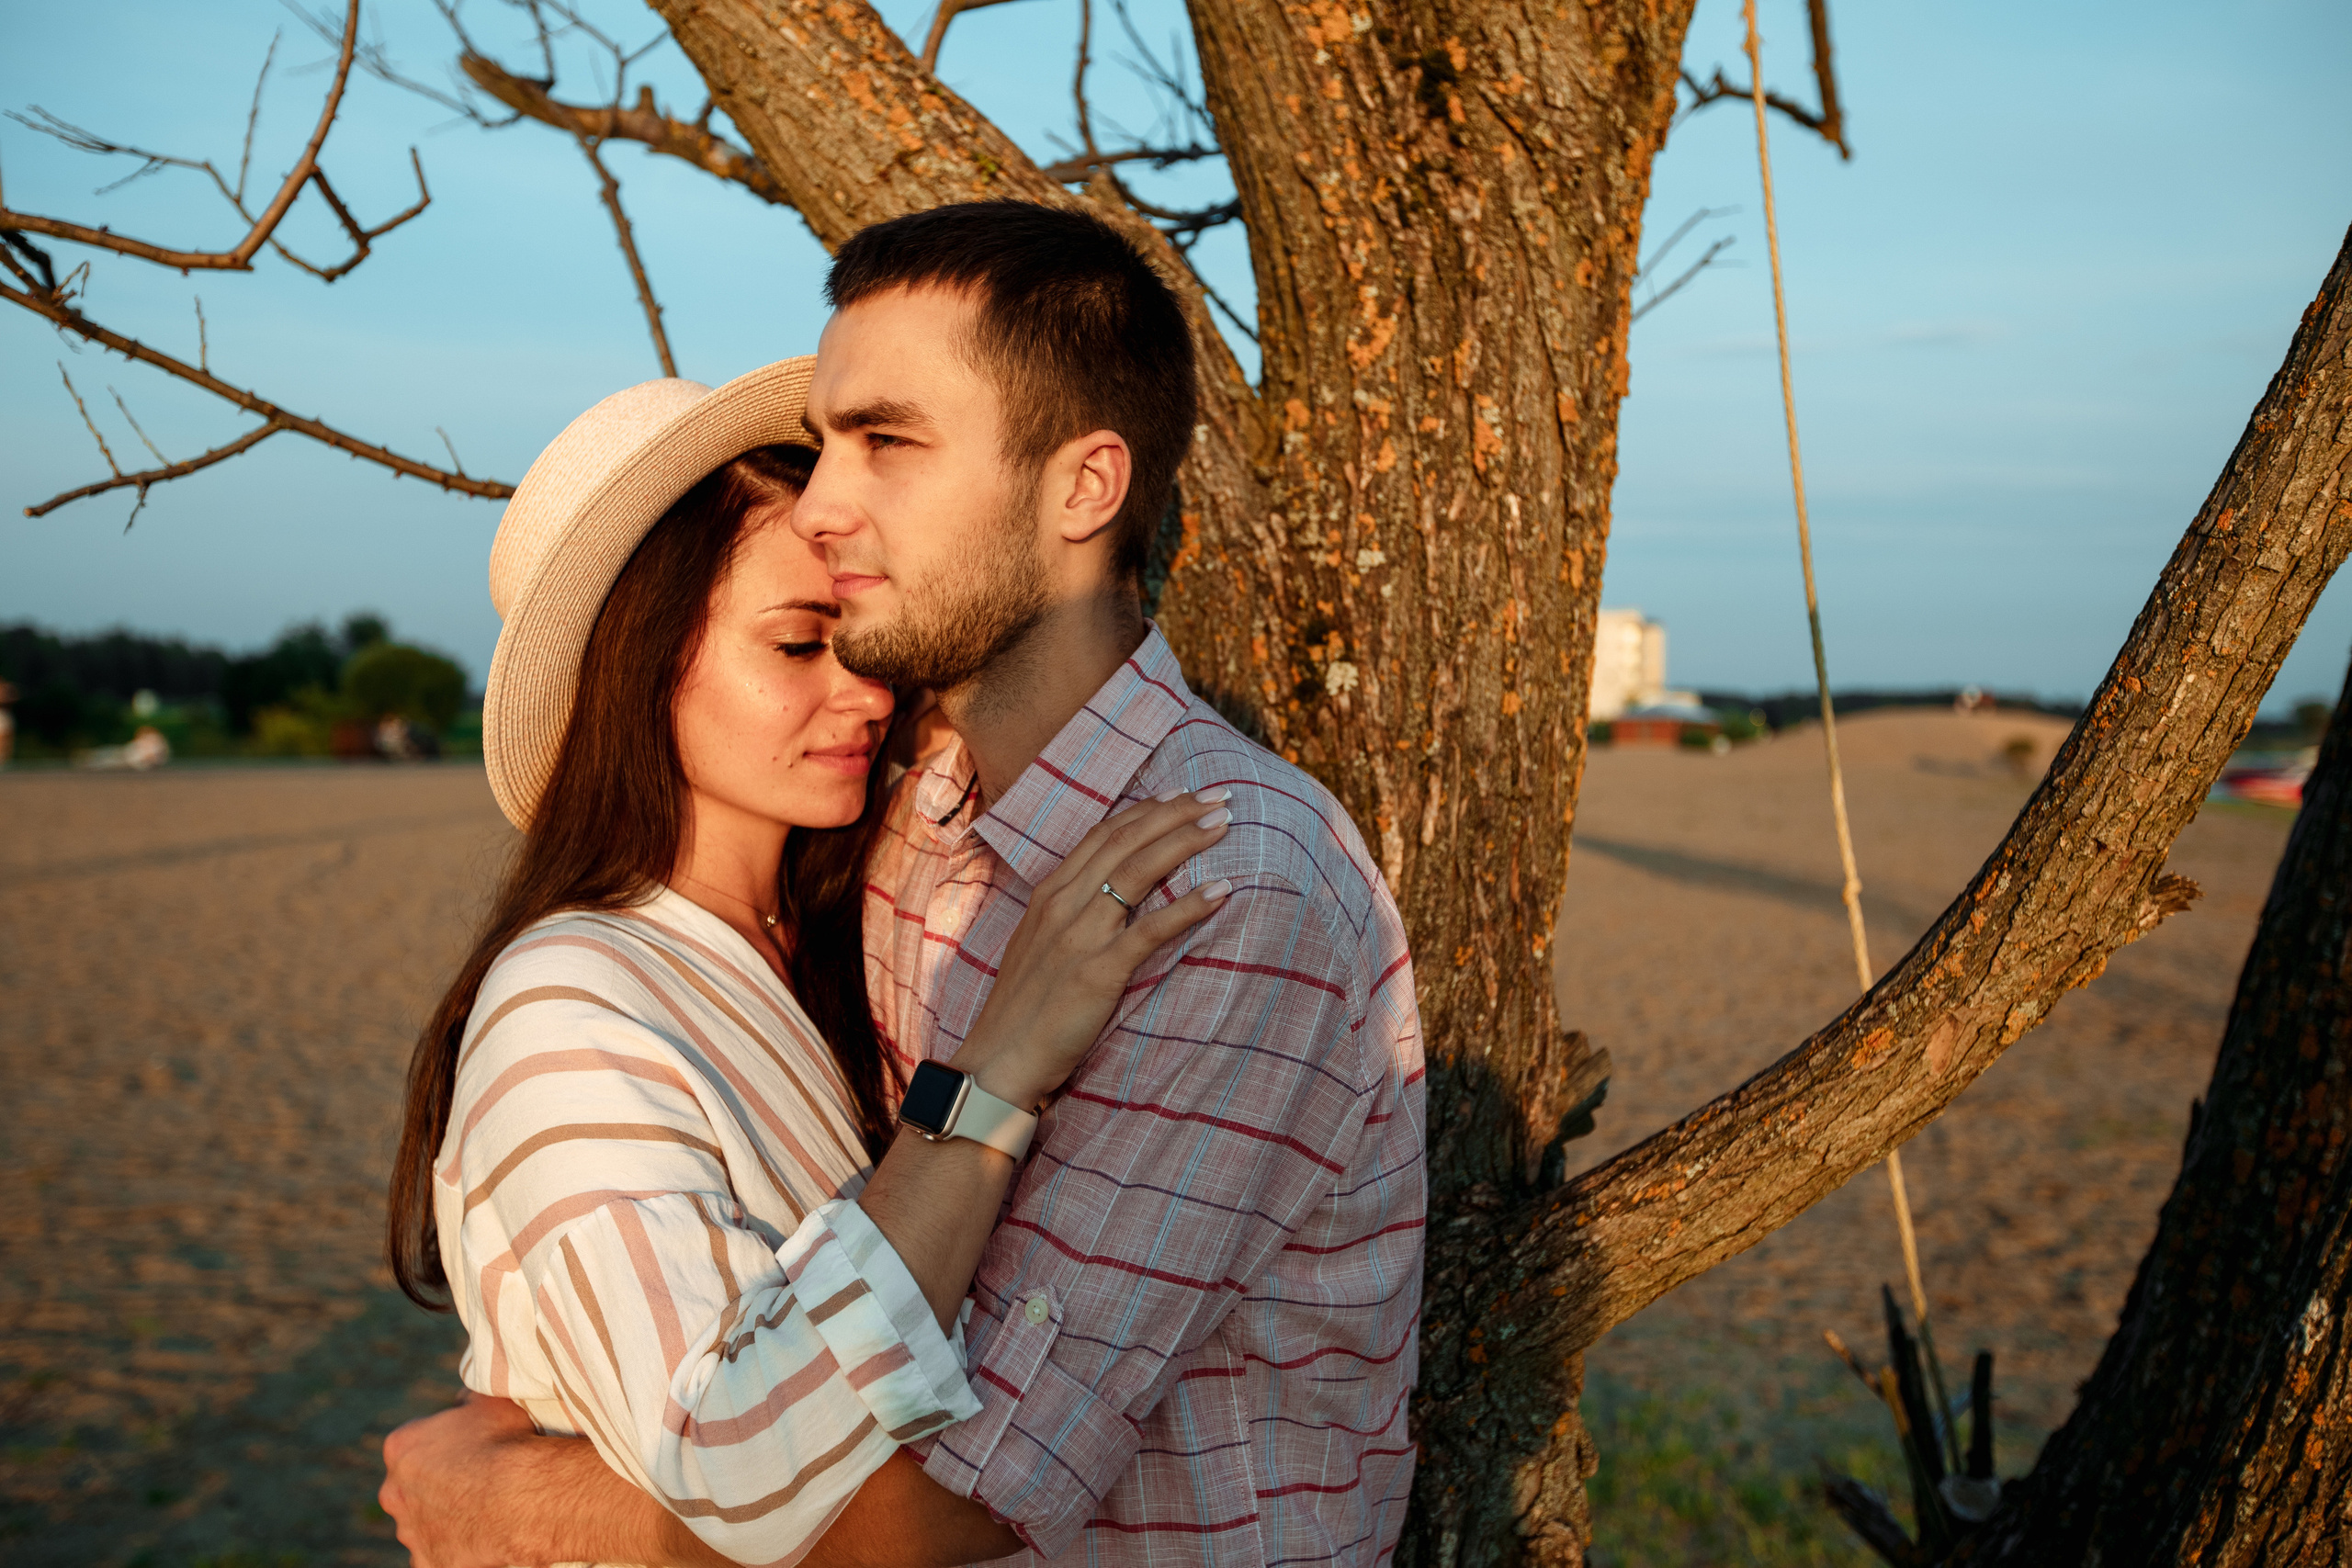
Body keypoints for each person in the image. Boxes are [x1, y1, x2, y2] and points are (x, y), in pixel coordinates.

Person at [382, 200, 1428, 1568]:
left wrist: (528, 1510)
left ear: (1083, 489)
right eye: (823, 444)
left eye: (885, 442)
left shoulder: (1227, 884)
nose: (824, 503)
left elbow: (979, 1482)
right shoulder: (906, 850)